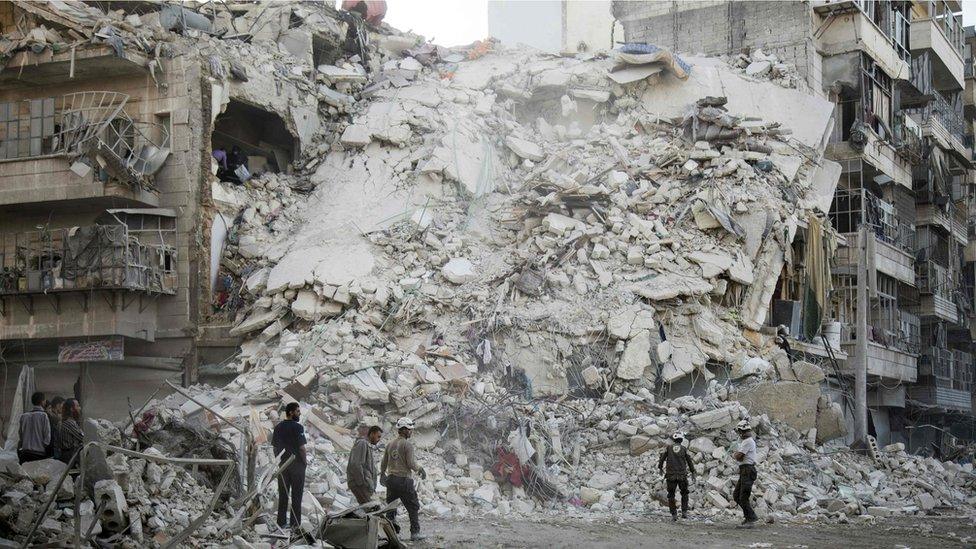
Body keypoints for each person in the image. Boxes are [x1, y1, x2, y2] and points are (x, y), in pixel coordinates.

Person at [381, 417, 427, 541]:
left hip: (391, 480)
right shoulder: (407, 445)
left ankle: (391, 534)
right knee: (413, 506)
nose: (411, 432)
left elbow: (383, 462)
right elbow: (411, 463)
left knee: (391, 508)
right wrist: (420, 469)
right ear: (404, 430)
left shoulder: (390, 444)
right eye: (410, 430)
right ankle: (415, 533)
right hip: (404, 480)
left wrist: (382, 474)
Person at [272, 402, 307, 531]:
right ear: (291, 412)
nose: (299, 413)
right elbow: (302, 448)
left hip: (283, 466)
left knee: (283, 495)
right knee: (297, 496)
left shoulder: (278, 427)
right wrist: (305, 462)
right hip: (297, 465)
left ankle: (281, 523)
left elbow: (275, 448)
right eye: (298, 411)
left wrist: (279, 461)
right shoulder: (298, 428)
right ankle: (295, 525)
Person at [658, 431, 696, 521]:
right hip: (682, 475)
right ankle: (684, 512)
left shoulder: (669, 448)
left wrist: (660, 468)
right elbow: (689, 461)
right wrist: (693, 472)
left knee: (671, 495)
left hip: (671, 475)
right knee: (684, 493)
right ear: (681, 440)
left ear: (674, 439)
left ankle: (674, 514)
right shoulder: (684, 449)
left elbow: (662, 458)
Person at [732, 420, 759, 527]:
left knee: (743, 496)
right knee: (736, 495)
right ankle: (749, 517)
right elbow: (740, 458)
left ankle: (751, 519)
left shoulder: (748, 441)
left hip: (748, 470)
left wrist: (735, 454)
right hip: (744, 470)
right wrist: (737, 454)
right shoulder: (746, 442)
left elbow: (739, 456)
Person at [348, 425, 382, 505]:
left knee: (367, 508)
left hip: (362, 485)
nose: (379, 440)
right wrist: (361, 483)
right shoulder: (362, 443)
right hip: (359, 484)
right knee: (370, 508)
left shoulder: (366, 445)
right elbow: (356, 464)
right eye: (378, 436)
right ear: (372, 434)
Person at [18, 392, 50, 464]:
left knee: (24, 474)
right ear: (42, 402)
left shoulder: (24, 416)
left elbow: (20, 435)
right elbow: (47, 437)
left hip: (25, 454)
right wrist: (41, 445)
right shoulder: (44, 416)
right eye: (44, 400)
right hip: (38, 455)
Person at [59, 399, 84, 465]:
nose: (79, 408)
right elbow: (83, 438)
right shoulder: (69, 423)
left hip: (70, 455)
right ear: (71, 409)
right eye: (77, 406)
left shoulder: (71, 422)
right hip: (69, 456)